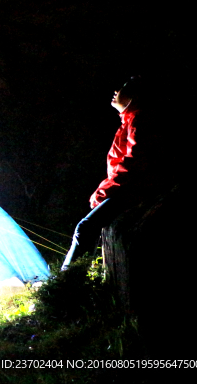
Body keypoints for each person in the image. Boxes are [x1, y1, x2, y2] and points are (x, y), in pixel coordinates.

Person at [61, 76, 150, 271]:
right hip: (126, 188)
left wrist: (106, 191)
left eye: (123, 88)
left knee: (84, 229)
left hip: (131, 191)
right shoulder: (128, 121)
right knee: (92, 231)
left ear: (133, 97)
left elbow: (133, 164)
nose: (116, 91)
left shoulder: (137, 120)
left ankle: (62, 289)